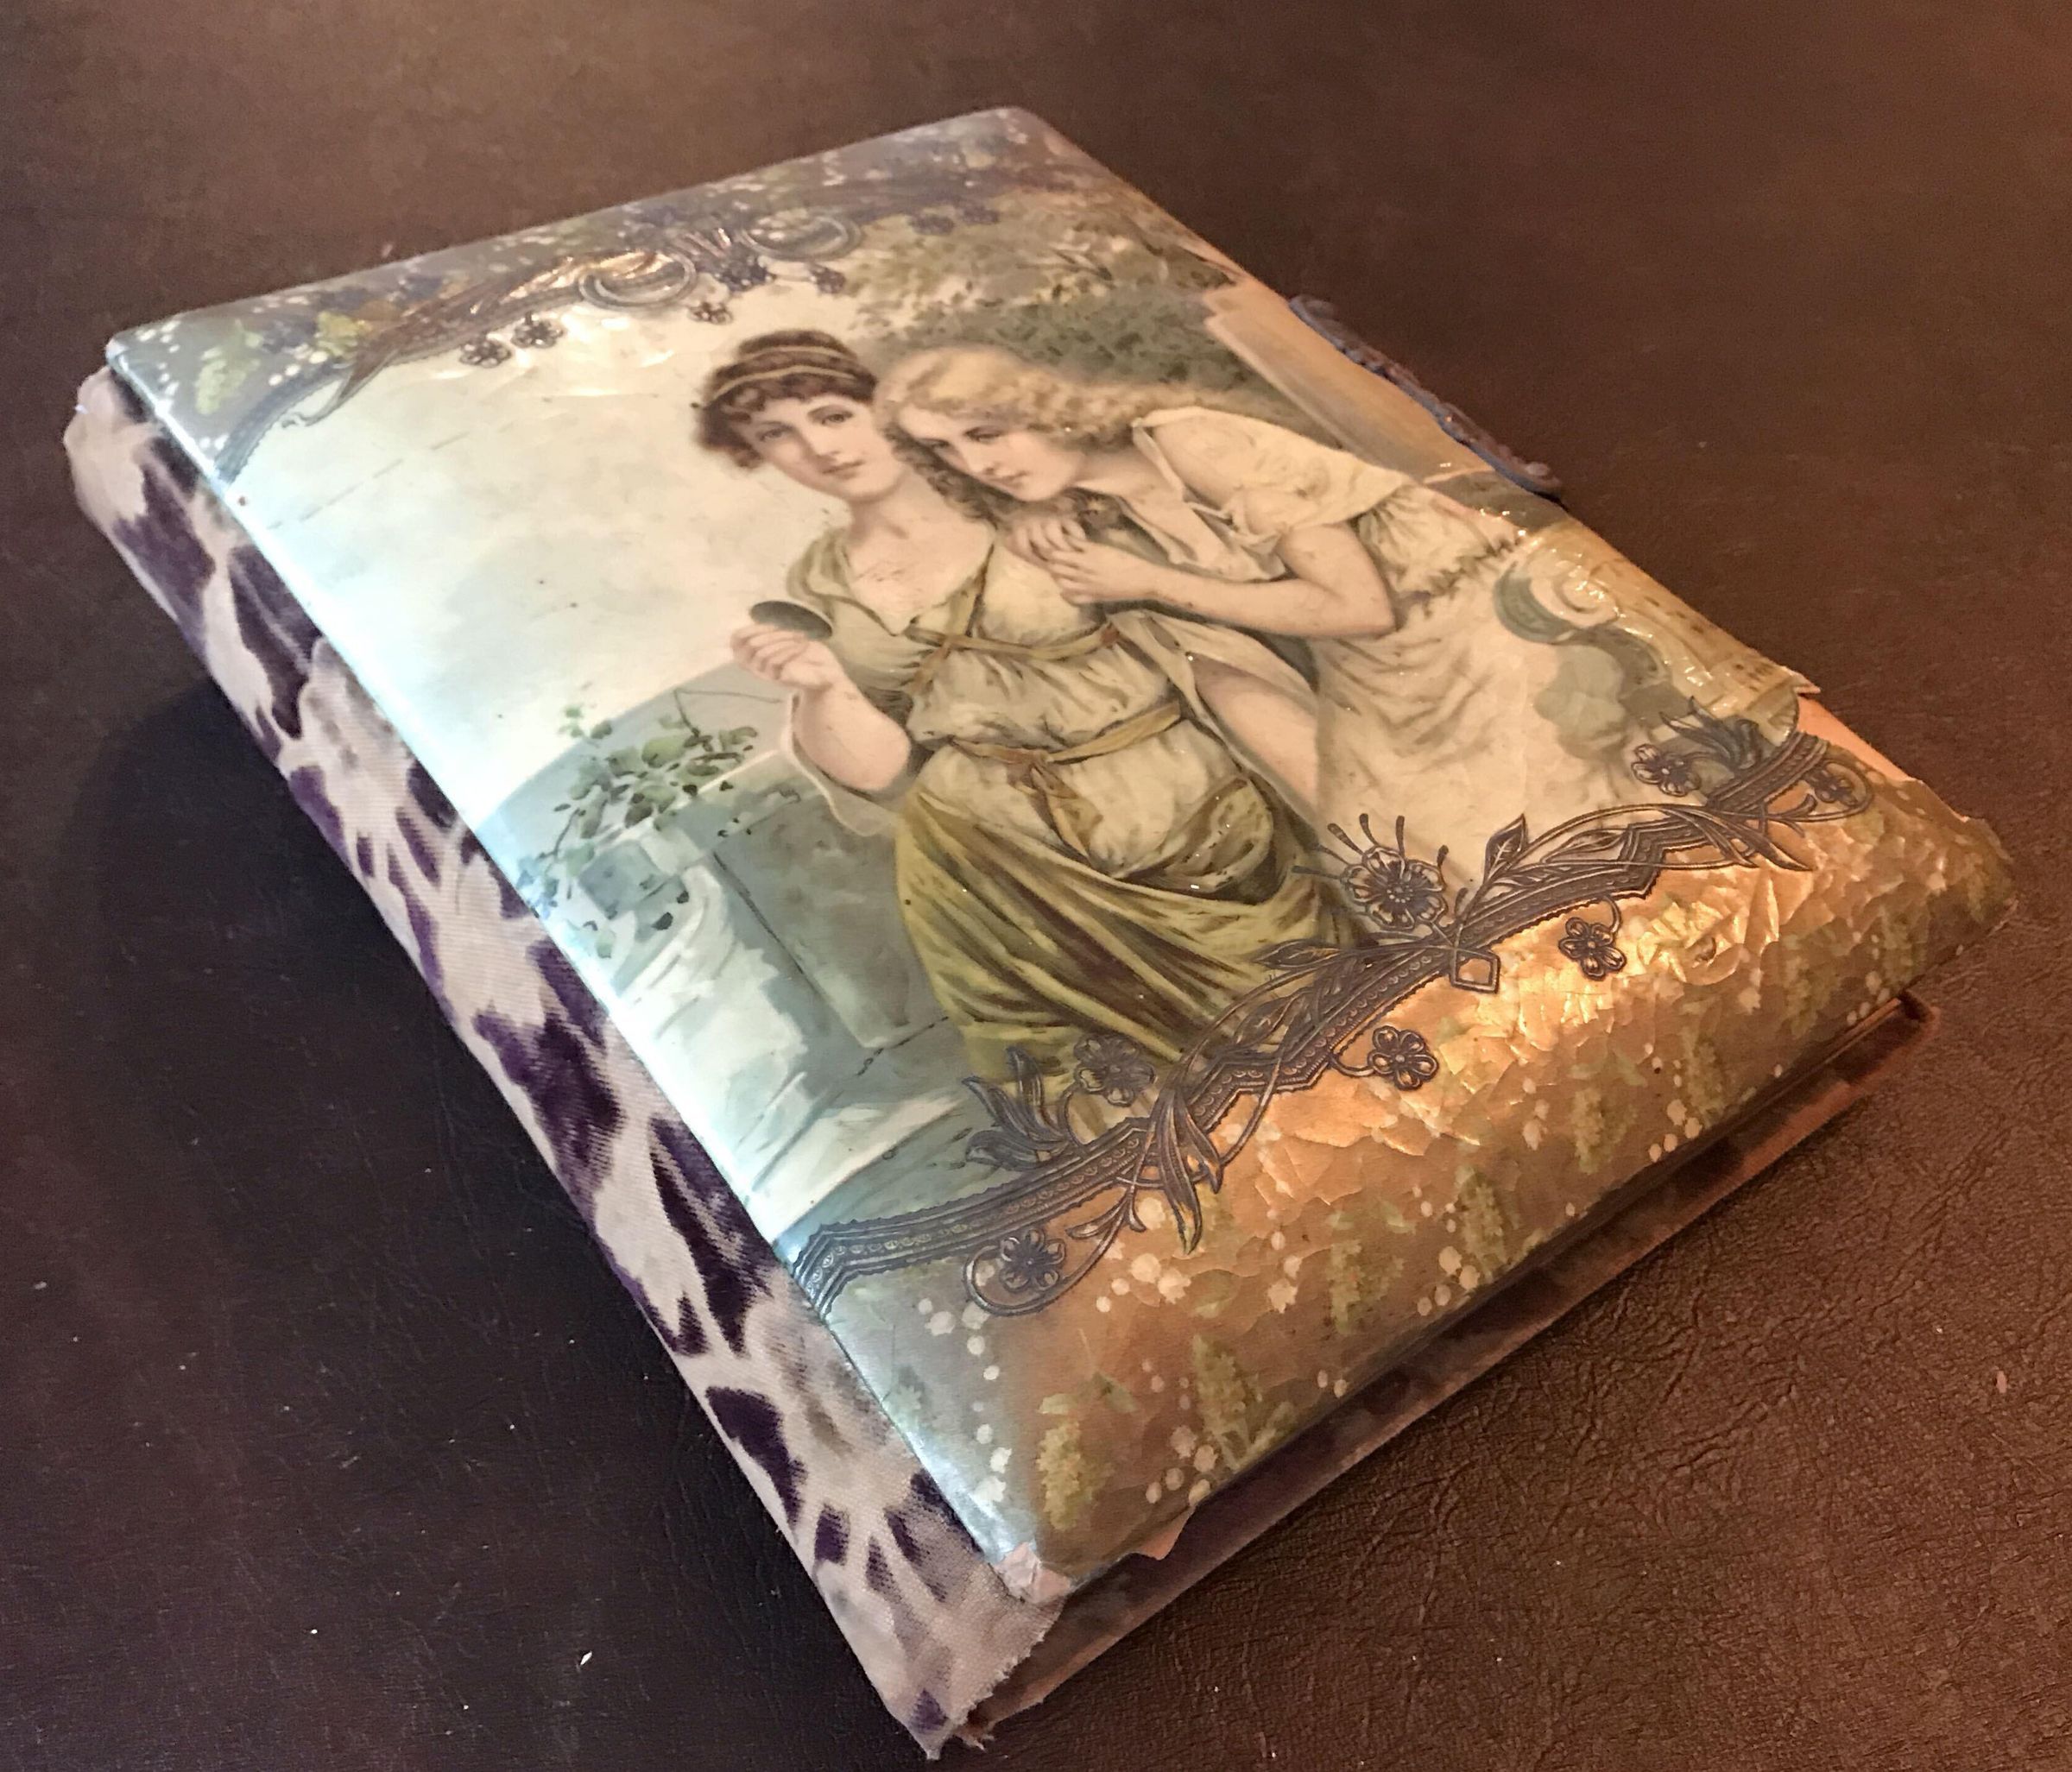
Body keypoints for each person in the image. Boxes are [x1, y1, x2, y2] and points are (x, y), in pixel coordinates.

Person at [698, 331, 1349, 1087]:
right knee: (1143, 1097)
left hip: (1191, 813)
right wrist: (822, 687)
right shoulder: (819, 584)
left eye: (833, 414)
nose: (818, 448)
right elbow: (884, 770)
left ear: (883, 405)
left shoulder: (1028, 493)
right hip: (1000, 872)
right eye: (776, 435)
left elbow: (1219, 613)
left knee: (1328, 1023)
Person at [875, 344, 1671, 873]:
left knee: (1523, 824)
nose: (977, 463)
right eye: (945, 450)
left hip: (1467, 617)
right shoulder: (1090, 510)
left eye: (987, 432)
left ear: (1044, 408)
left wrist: (1147, 580)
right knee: (1394, 839)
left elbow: (1361, 605)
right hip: (1382, 673)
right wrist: (1040, 520)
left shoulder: (1193, 443)